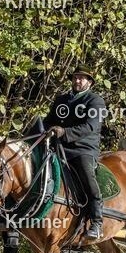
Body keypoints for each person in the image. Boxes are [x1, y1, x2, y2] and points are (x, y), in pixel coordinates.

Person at [45, 66, 107, 239]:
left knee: (88, 177)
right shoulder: (61, 100)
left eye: (81, 78)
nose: (77, 81)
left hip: (83, 149)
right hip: (58, 147)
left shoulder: (95, 101)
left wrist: (65, 132)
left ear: (89, 82)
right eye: (75, 78)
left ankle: (96, 222)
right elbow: (48, 121)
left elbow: (91, 126)